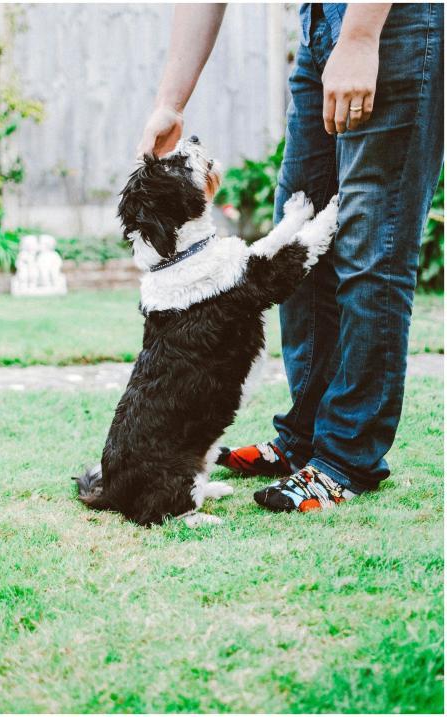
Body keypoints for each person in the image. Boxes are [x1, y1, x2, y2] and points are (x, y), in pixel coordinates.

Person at [138, 3, 444, 514]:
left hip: (393, 23)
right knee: (296, 231)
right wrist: (170, 101)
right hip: (317, 23)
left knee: (371, 243)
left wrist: (362, 37)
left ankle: (347, 457)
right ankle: (303, 437)